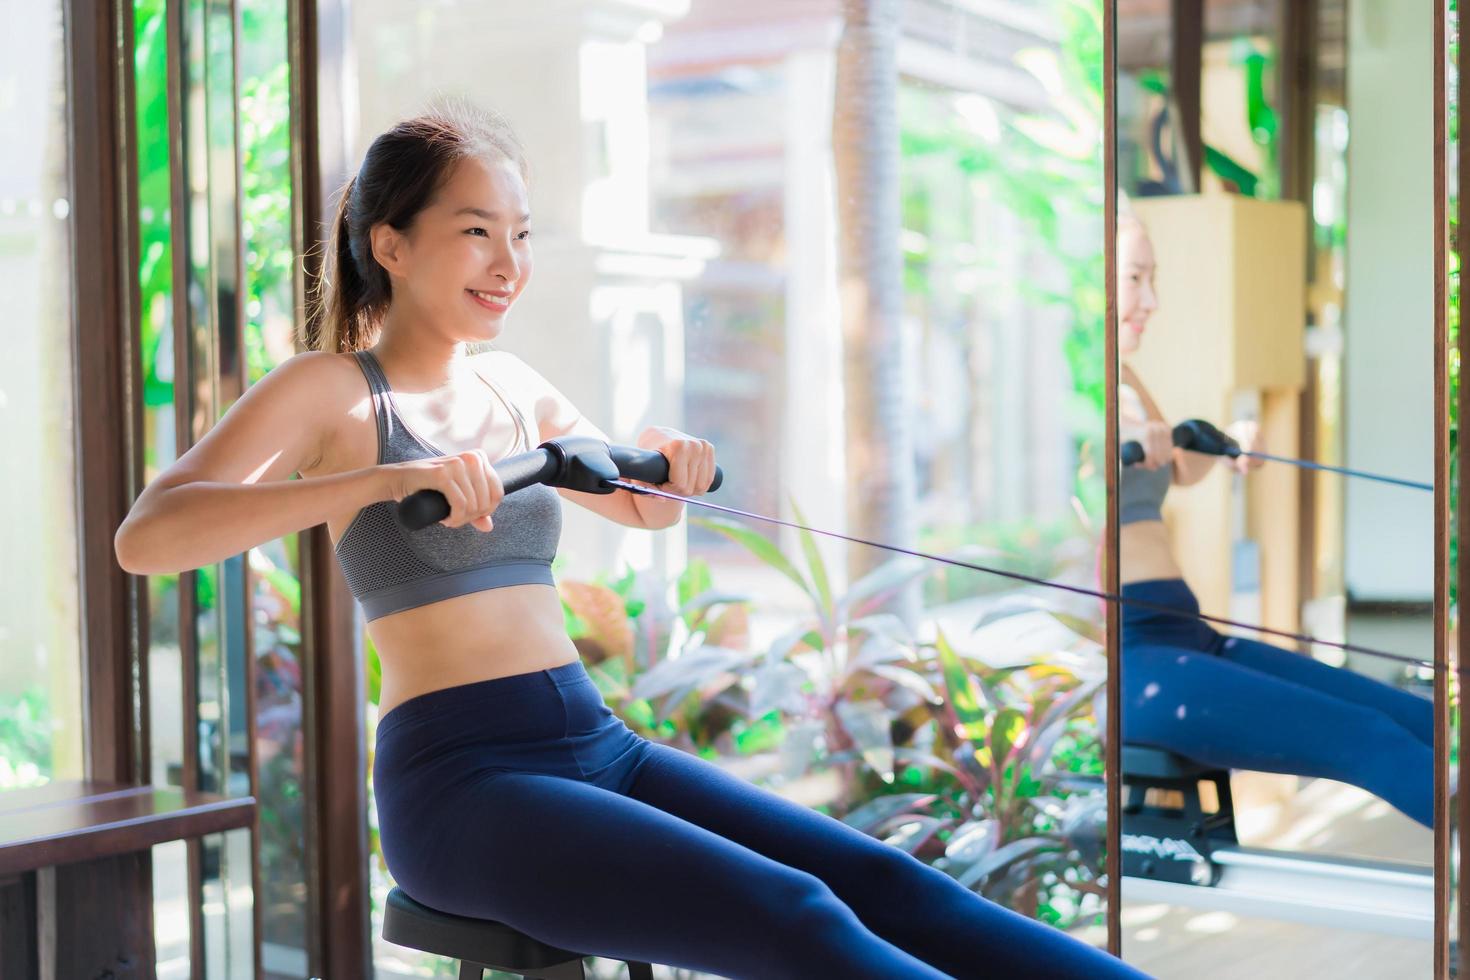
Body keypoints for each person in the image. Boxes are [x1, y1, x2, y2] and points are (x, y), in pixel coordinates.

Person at [114, 101, 1149, 980]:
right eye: (477, 231)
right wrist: (389, 478)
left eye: (522, 234)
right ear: (390, 241)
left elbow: (633, 497)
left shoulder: (516, 387)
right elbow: (148, 536)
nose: (508, 262)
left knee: (884, 880)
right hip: (462, 781)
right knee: (799, 915)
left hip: (592, 739)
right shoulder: (336, 390)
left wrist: (671, 471)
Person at [1117, 208, 1434, 828]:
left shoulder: (1125, 375)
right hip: (1134, 661)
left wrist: (1231, 444)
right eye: (1135, 278)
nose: (1151, 299)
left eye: (1153, 279)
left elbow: (1175, 468)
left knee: (1415, 716)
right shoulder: (1082, 386)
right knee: (1369, 738)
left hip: (1185, 634)